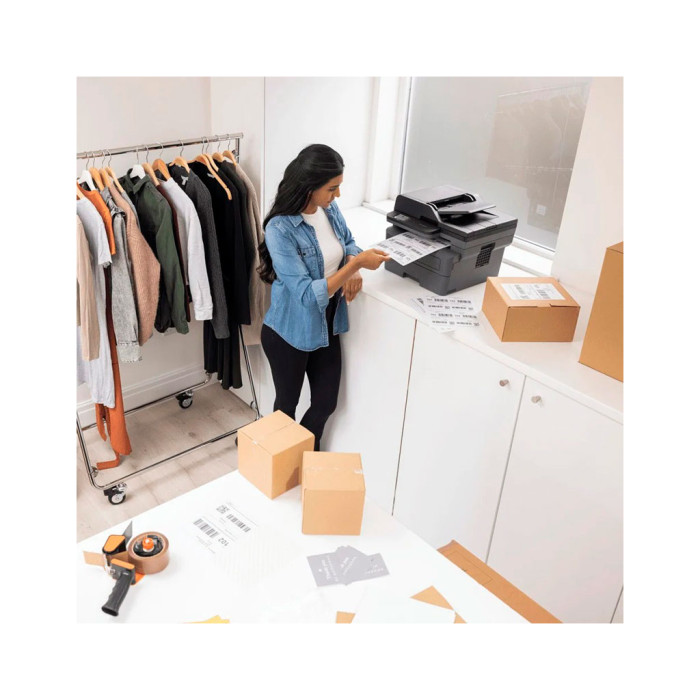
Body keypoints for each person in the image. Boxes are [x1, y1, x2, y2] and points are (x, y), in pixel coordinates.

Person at [258, 144, 391, 450]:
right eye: (332, 188)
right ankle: (282, 464)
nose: (337, 195)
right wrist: (355, 265)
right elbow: (306, 295)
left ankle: (306, 458)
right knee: (285, 410)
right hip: (288, 333)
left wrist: (352, 261)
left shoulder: (328, 210)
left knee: (325, 403)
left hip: (326, 325)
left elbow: (349, 242)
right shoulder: (280, 230)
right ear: (310, 187)